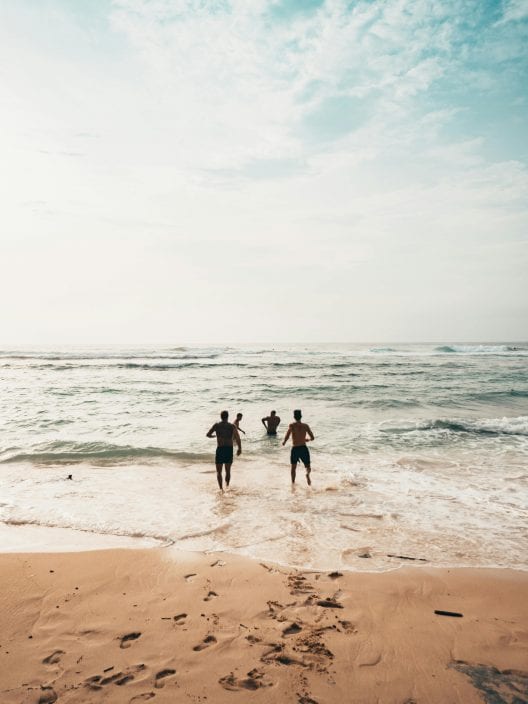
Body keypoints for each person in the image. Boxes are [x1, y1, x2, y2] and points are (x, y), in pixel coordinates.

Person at [206, 410, 241, 491]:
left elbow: (208, 434)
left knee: (219, 472)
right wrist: (239, 448)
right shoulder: (232, 426)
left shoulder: (216, 425)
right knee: (228, 471)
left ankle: (221, 489)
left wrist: (214, 436)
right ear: (227, 416)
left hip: (220, 449)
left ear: (221, 417)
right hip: (229, 449)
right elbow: (238, 438)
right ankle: (227, 486)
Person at [282, 409, 314, 485]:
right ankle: (307, 475)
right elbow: (312, 437)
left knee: (293, 468)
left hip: (295, 449)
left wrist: (284, 442)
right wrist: (307, 440)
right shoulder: (305, 426)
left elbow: (287, 435)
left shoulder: (292, 425)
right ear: (301, 416)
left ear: (294, 417)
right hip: (303, 448)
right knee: (308, 466)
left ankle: (293, 483)